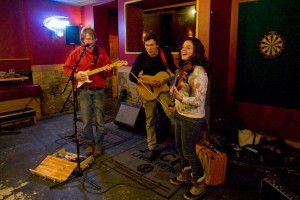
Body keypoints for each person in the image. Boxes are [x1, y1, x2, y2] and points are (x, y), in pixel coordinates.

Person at [169, 37, 209, 200]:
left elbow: (199, 100)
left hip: (192, 118)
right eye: (183, 47)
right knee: (179, 146)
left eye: (189, 48)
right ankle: (186, 173)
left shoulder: (199, 73)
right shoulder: (186, 69)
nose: (183, 49)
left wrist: (180, 98)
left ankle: (200, 181)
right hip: (181, 114)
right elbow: (181, 91)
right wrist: (174, 103)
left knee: (189, 151)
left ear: (196, 51)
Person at [63, 27, 112, 157]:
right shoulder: (77, 52)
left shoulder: (101, 52)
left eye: (91, 38)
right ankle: (90, 143)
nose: (89, 41)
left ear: (95, 39)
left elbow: (109, 73)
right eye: (86, 39)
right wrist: (75, 76)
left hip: (99, 91)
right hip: (84, 91)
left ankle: (99, 144)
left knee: (100, 120)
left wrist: (107, 69)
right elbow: (66, 68)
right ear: (82, 40)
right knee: (86, 121)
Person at [129, 31, 177, 161]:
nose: (149, 48)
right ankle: (151, 147)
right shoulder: (141, 57)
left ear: (157, 45)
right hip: (148, 91)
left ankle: (181, 142)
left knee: (171, 114)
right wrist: (149, 82)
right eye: (147, 45)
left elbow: (172, 69)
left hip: (163, 89)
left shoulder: (165, 54)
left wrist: (179, 74)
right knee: (150, 120)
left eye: (151, 45)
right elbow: (132, 76)